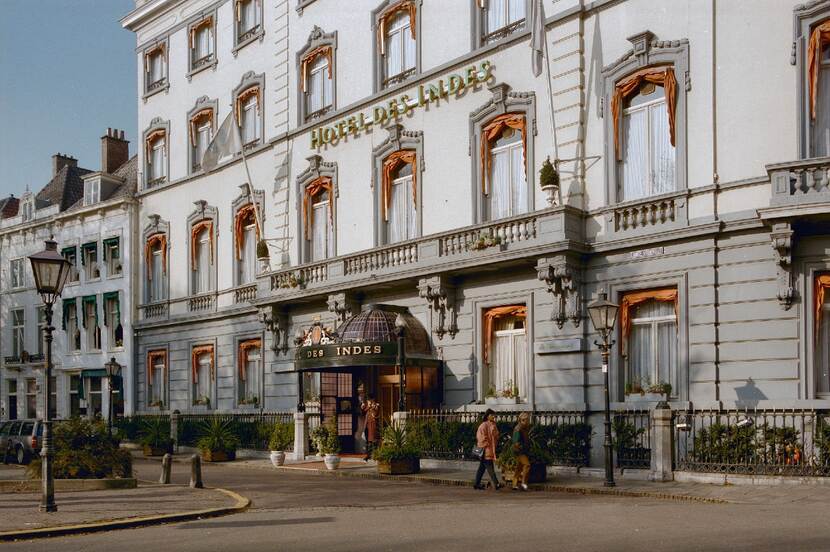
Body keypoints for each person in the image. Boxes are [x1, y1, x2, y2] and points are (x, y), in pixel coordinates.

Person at [474, 409, 502, 490]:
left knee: (481, 468)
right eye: (492, 415)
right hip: (486, 450)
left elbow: (496, 435)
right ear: (487, 416)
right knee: (490, 467)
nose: (494, 416)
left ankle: (476, 484)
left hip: (490, 449)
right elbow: (480, 437)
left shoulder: (493, 425)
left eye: (494, 415)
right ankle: (496, 484)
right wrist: (486, 444)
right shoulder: (483, 425)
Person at [511, 412, 531, 491]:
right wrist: (519, 447)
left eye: (526, 420)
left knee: (519, 467)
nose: (525, 421)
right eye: (523, 420)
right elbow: (515, 441)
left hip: (523, 450)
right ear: (520, 420)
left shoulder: (525, 428)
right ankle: (523, 484)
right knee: (527, 465)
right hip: (520, 451)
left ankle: (514, 484)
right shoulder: (518, 429)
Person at [361, 395, 380, 461]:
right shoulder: (367, 407)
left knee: (373, 441)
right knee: (368, 442)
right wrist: (363, 407)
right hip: (367, 427)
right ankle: (368, 455)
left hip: (373, 426)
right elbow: (363, 413)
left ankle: (375, 455)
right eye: (367, 401)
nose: (368, 402)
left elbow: (375, 414)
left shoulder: (375, 406)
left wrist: (372, 407)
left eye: (369, 400)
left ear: (372, 400)